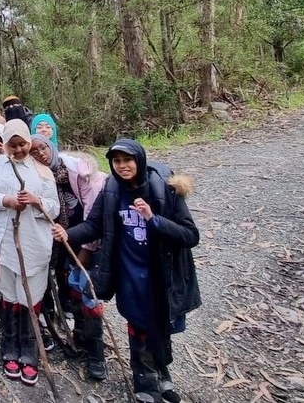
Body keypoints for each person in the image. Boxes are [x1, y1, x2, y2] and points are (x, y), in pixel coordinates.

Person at [58, 139, 200, 403]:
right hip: (130, 274)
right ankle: (144, 383)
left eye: (127, 160)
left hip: (161, 273)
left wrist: (152, 219)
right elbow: (94, 225)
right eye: (116, 161)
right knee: (138, 325)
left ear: (140, 161)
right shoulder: (111, 189)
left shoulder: (165, 189)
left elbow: (190, 235)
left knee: (160, 323)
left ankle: (162, 373)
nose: (122, 166)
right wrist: (66, 233)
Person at [0, 119, 62, 386]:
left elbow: (55, 208)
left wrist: (37, 202)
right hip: (5, 242)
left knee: (30, 297)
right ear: (5, 145)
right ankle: (10, 348)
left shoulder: (42, 171)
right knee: (9, 295)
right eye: (12, 145)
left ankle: (30, 353)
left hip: (33, 243)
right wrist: (7, 201)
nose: (18, 150)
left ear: (29, 142)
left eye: (22, 144)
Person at [30, 134, 108, 379]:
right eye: (34, 152)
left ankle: (96, 354)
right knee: (69, 287)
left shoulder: (79, 172)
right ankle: (78, 336)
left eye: (43, 147)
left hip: (89, 239)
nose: (40, 154)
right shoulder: (38, 175)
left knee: (89, 293)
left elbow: (94, 218)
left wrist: (87, 249)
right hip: (61, 240)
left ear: (51, 146)